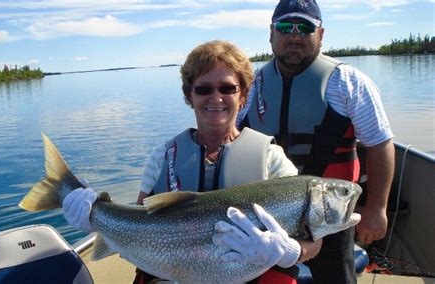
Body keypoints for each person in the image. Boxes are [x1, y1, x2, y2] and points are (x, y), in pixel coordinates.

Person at [62, 40, 322, 283]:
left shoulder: (271, 158)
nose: (216, 97)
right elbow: (137, 224)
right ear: (190, 96)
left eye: (228, 88)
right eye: (204, 89)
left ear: (243, 95)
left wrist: (290, 251)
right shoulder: (163, 156)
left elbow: (314, 242)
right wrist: (95, 218)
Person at [237, 0, 395, 283]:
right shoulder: (250, 86)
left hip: (330, 219)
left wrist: (377, 208)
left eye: (305, 27)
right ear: (271, 34)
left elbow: (380, 143)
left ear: (320, 34)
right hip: (266, 217)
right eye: (285, 27)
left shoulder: (348, 82)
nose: (294, 35)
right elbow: (229, 142)